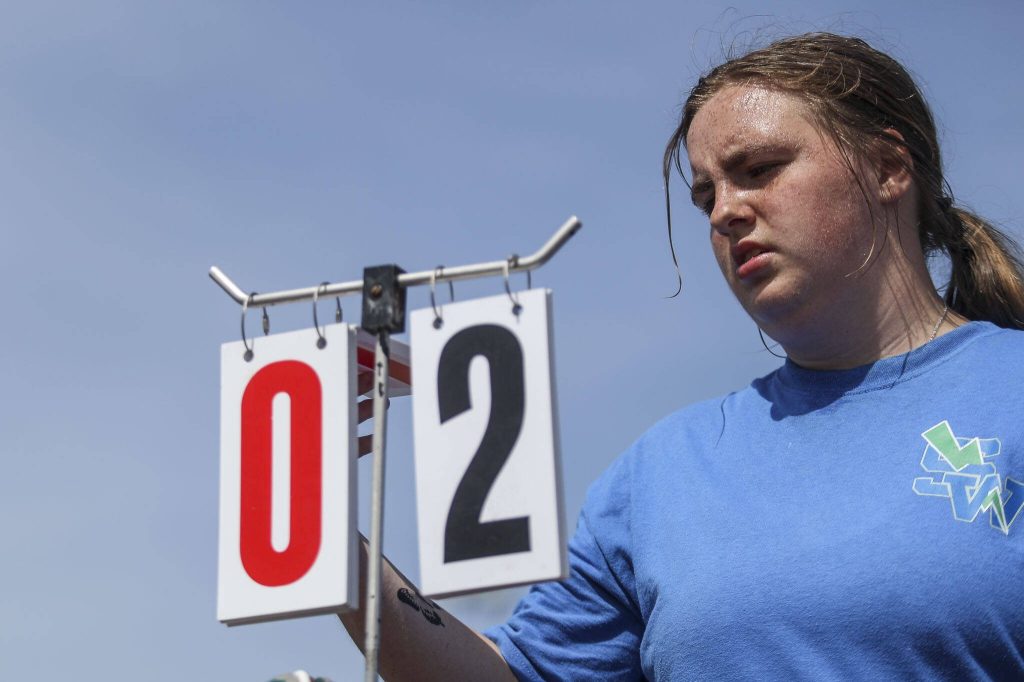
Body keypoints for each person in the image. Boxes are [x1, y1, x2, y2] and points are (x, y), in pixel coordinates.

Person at [341, 32, 1024, 679]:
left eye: (758, 170)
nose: (727, 210)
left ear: (887, 167)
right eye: (706, 196)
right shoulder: (662, 473)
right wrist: (327, 542)